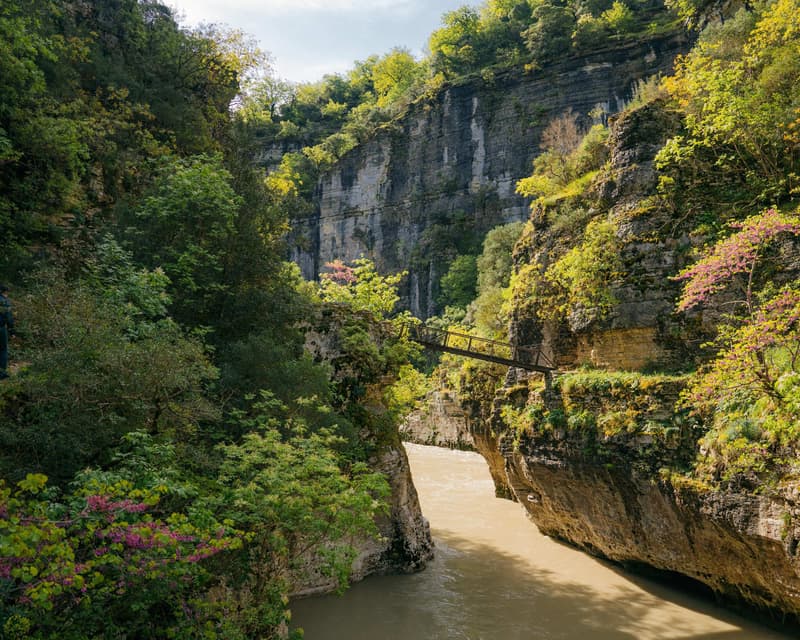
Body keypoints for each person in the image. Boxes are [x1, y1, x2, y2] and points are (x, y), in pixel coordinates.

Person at [0, 284, 14, 379]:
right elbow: (8, 317)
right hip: (0, 328)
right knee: (2, 350)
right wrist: (11, 330)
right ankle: (1, 373)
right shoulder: (4, 301)